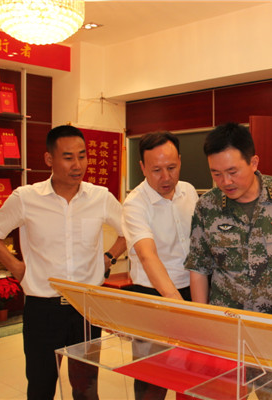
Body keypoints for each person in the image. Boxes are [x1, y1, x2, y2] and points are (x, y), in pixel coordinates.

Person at [0, 125, 126, 400]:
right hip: (43, 308)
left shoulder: (100, 197)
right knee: (41, 386)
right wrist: (17, 267)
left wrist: (109, 257)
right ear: (49, 159)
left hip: (86, 307)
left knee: (86, 388)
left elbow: (129, 231)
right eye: (68, 157)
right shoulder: (26, 198)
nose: (77, 165)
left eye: (82, 156)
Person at [185, 122, 272, 399]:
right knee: (226, 394)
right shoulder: (207, 206)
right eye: (216, 174)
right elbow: (199, 267)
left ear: (254, 162)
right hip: (227, 327)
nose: (225, 182)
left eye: (232, 172)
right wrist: (203, 323)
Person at [121, 131, 198, 400]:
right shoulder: (135, 204)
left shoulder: (189, 191)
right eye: (156, 170)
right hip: (153, 297)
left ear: (180, 161)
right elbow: (147, 256)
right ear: (142, 167)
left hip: (193, 291)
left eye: (171, 168)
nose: (166, 177)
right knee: (152, 380)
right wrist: (178, 305)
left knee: (191, 375)